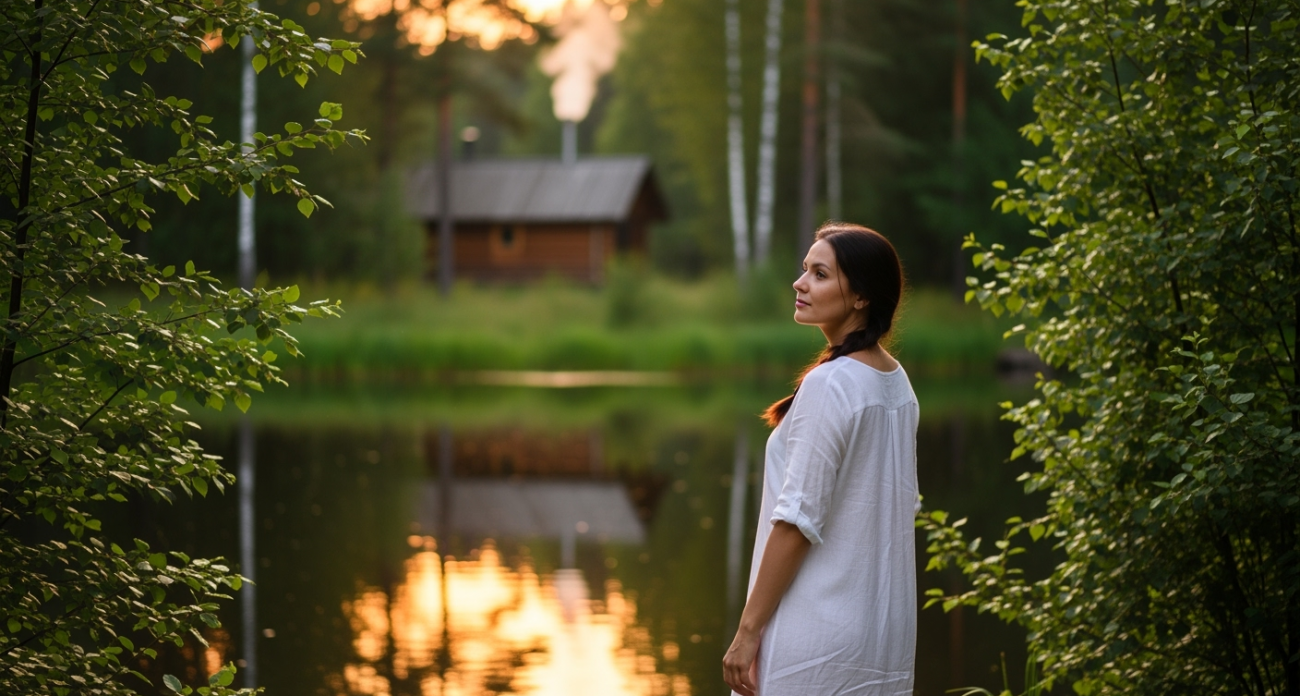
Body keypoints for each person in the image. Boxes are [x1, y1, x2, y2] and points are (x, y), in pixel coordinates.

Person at [722, 222, 919, 696]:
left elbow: (795, 521)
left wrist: (747, 633)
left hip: (814, 635)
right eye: (804, 269)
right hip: (879, 636)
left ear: (860, 297)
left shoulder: (831, 384)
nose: (800, 282)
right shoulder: (896, 383)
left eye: (819, 273)